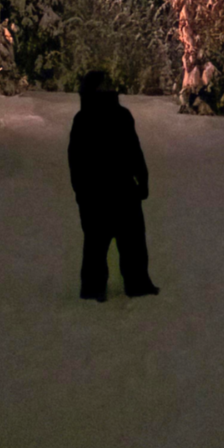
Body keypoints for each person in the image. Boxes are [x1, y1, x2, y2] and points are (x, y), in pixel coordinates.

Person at [68, 70, 160, 302]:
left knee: (128, 244)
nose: (107, 89)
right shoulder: (86, 119)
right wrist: (82, 193)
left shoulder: (118, 116)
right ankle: (96, 289)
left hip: (119, 192)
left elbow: (134, 151)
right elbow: (77, 161)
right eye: (103, 86)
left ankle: (133, 285)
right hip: (101, 194)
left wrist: (142, 179)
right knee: (99, 246)